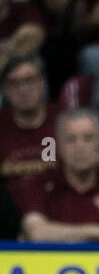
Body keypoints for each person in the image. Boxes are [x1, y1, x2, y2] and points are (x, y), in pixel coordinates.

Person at [15, 108, 99, 241]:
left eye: (88, 138)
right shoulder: (38, 186)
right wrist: (97, 231)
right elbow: (36, 233)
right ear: (59, 147)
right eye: (71, 139)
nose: (80, 147)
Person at [0, 53, 57, 190]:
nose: (23, 90)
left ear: (42, 82)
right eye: (14, 83)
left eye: (29, 80)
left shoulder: (64, 121)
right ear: (5, 90)